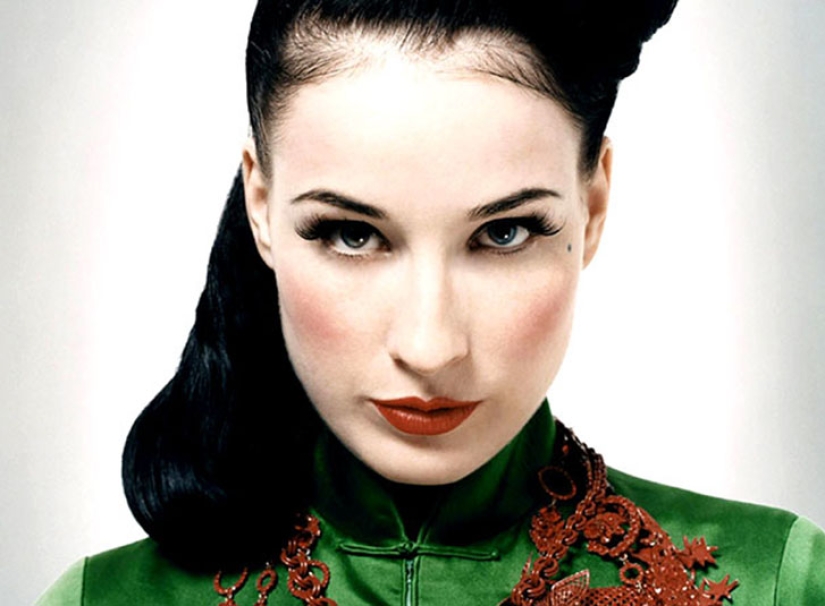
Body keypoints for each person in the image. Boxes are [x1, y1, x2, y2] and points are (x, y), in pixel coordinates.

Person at [37, 0, 825, 604]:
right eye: (351, 234)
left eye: (504, 233)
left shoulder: (774, 583)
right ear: (261, 207)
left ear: (591, 208)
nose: (429, 344)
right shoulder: (100, 600)